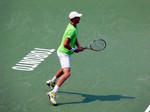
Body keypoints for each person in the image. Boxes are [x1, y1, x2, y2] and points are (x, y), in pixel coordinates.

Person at [46, 11, 84, 106]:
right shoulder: (71, 29)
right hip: (64, 53)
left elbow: (74, 38)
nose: (80, 18)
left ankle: (52, 81)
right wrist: (74, 49)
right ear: (74, 19)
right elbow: (65, 44)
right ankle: (53, 93)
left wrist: (79, 46)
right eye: (78, 17)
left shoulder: (74, 26)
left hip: (64, 52)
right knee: (67, 73)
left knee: (64, 69)